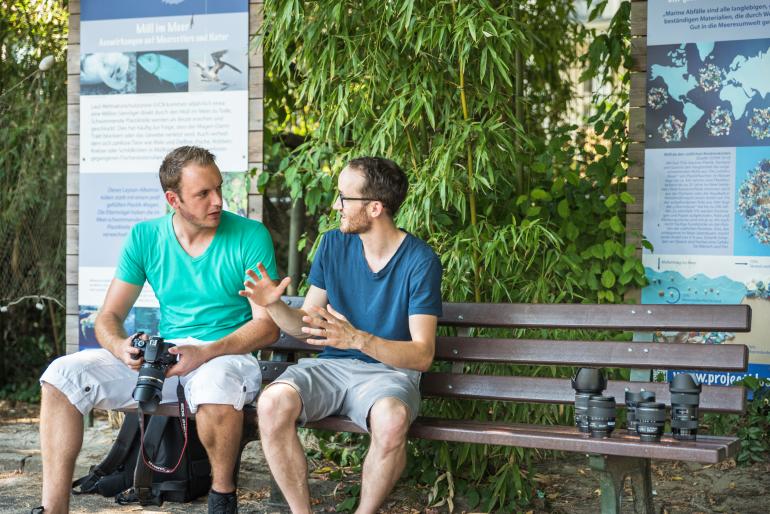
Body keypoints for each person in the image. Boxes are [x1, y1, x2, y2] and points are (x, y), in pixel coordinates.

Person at [35, 146, 280, 514]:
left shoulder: (249, 235)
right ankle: (53, 509)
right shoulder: (145, 236)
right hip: (169, 357)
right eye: (203, 193)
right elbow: (108, 316)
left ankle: (221, 497)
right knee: (62, 375)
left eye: (218, 188)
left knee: (216, 383)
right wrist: (120, 347)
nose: (218, 200)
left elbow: (267, 327)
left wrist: (207, 351)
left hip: (226, 353)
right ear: (173, 199)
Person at [239, 157, 443, 514]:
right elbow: (306, 324)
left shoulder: (420, 261)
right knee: (271, 404)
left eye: (344, 198)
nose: (336, 206)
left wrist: (359, 339)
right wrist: (274, 306)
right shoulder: (333, 244)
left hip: (389, 375)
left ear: (375, 207)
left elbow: (422, 354)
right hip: (332, 368)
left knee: (392, 420)